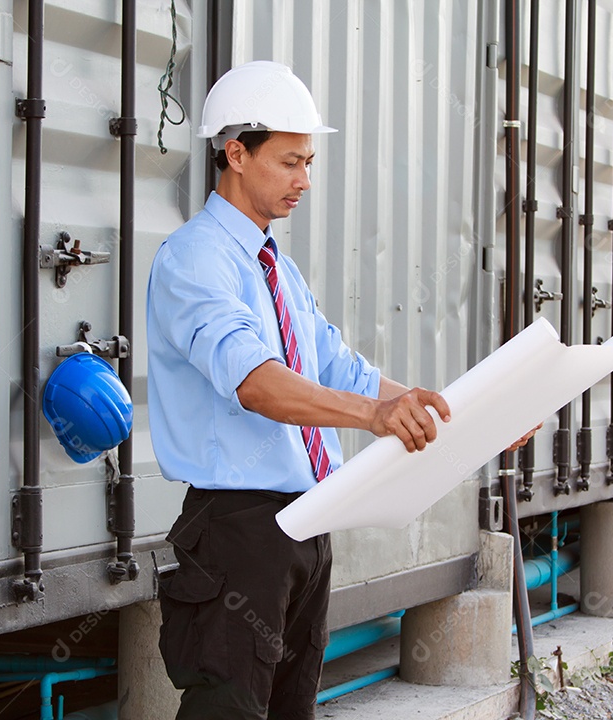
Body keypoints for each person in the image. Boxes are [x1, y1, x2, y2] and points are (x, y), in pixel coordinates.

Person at [147, 61, 534, 720]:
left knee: (291, 710)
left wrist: (468, 420)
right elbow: (258, 384)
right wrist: (376, 416)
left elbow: (340, 368)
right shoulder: (195, 259)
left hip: (306, 528)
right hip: (238, 535)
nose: (304, 180)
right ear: (236, 153)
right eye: (291, 161)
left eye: (311, 162)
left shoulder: (278, 268)